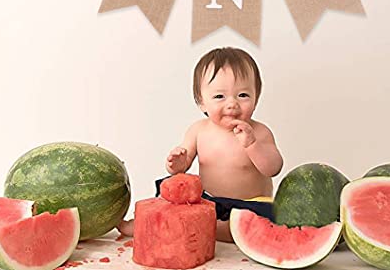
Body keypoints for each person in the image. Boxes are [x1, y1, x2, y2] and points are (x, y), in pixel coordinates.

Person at [119, 47, 284, 242]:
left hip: (250, 205)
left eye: (243, 95)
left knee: (270, 217)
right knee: (166, 187)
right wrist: (177, 163)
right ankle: (145, 222)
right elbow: (182, 167)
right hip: (208, 202)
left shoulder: (259, 132)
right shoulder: (198, 130)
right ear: (201, 103)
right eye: (219, 97)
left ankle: (207, 229)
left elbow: (273, 168)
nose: (232, 104)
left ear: (256, 98)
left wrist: (252, 145)